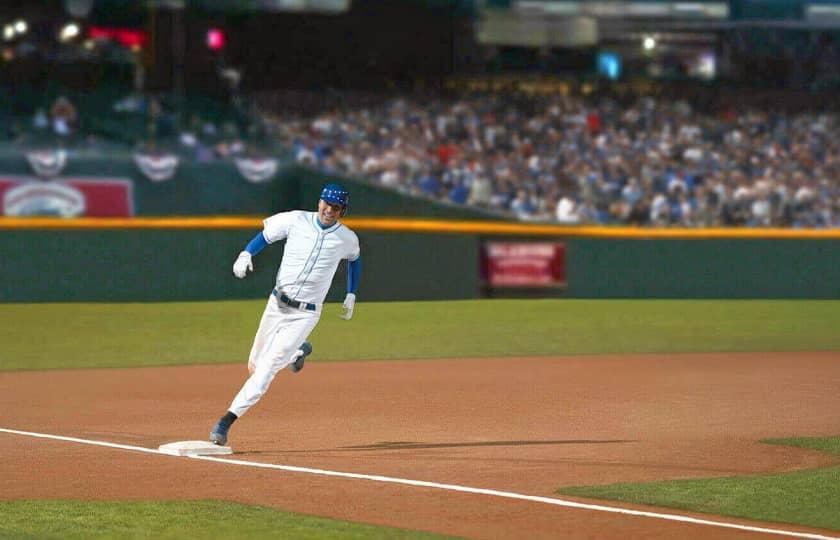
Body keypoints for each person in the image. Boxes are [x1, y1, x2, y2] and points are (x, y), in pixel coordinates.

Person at [209, 183, 361, 446]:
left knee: (265, 371)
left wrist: (351, 293)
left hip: (305, 314)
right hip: (276, 305)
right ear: (319, 202)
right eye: (326, 203)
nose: (329, 209)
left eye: (335, 207)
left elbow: (355, 260)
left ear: (342, 211)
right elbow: (266, 236)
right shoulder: (296, 220)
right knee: (254, 366)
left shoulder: (347, 238)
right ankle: (297, 352)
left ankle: (226, 421)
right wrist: (246, 253)